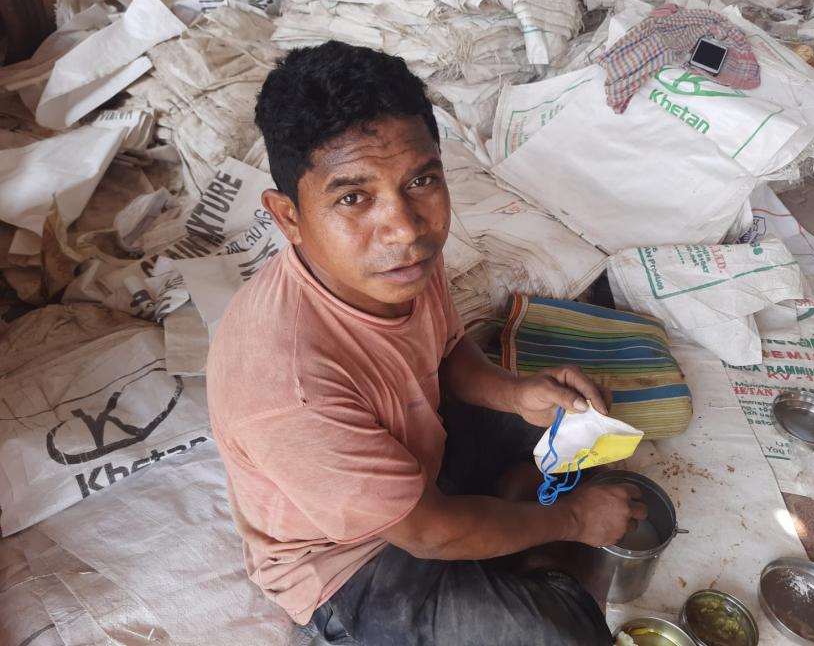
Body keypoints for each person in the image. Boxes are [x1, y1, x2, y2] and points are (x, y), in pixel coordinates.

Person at [207, 40, 647, 646]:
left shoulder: (401, 261)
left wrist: (515, 393)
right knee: (563, 634)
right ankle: (512, 523)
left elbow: (444, 352)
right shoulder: (288, 385)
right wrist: (571, 521)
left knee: (584, 429)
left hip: (419, 452)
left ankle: (508, 516)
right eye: (353, 198)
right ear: (288, 217)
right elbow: (428, 532)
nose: (405, 228)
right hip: (351, 558)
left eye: (420, 180)